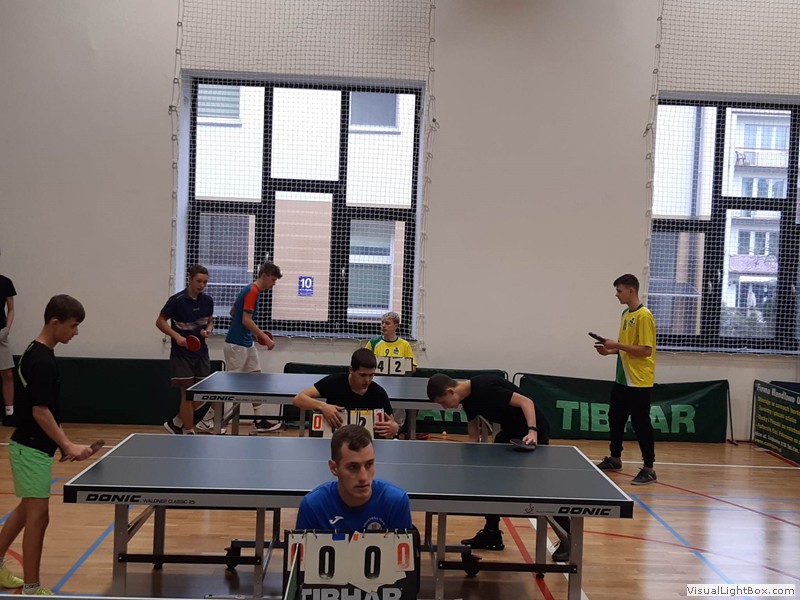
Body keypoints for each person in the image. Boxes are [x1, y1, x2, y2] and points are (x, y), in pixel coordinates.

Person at [0, 294, 94, 595]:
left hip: (32, 447)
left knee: (26, 511)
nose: (76, 332)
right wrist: (67, 444)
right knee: (39, 518)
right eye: (73, 325)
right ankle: (32, 587)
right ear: (55, 323)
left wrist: (62, 443)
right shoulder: (41, 360)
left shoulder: (37, 351)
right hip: (29, 449)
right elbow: (40, 411)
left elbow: (47, 410)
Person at [426, 373, 572, 562]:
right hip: (510, 431)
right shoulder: (467, 400)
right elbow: (473, 437)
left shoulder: (486, 388)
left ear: (450, 391)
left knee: (540, 487)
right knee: (492, 481)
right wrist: (466, 463)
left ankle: (569, 539)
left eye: (443, 403)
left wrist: (533, 431)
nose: (445, 408)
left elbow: (526, 402)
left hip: (533, 432)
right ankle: (492, 533)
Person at [593, 273, 658, 486]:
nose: (617, 295)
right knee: (615, 418)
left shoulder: (644, 316)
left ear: (631, 290)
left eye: (619, 291)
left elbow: (646, 350)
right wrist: (609, 351)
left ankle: (649, 468)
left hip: (638, 381)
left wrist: (617, 345)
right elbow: (627, 348)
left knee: (641, 424)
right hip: (622, 379)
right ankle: (615, 458)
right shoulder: (625, 314)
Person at [296, 424, 412, 531]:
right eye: (353, 467)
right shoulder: (313, 506)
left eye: (369, 464)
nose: (363, 477)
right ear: (334, 468)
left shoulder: (396, 502)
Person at [157, 265, 220, 435]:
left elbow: (209, 321)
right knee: (187, 394)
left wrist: (208, 330)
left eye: (205, 282)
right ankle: (188, 430)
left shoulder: (208, 301)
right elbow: (160, 322)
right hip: (181, 355)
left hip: (201, 353)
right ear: (190, 279)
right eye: (199, 281)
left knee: (203, 394)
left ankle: (176, 422)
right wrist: (177, 337)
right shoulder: (176, 300)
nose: (202, 285)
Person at [224, 261, 282, 434]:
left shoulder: (249, 290)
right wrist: (264, 337)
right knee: (232, 387)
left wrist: (251, 334)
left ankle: (259, 420)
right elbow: (245, 319)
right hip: (236, 345)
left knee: (255, 379)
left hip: (246, 343)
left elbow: (233, 312)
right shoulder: (252, 291)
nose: (273, 284)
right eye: (273, 280)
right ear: (264, 276)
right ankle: (215, 419)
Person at [292, 349, 401, 439]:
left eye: (371, 375)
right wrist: (323, 406)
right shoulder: (334, 382)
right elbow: (298, 399)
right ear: (351, 370)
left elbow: (391, 422)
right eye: (362, 375)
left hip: (365, 446)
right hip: (336, 443)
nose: (367, 380)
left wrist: (395, 427)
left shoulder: (379, 393)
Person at [365, 311, 416, 434]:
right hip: (377, 384)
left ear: (396, 326)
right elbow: (364, 361)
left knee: (397, 412)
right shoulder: (373, 343)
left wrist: (402, 367)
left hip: (397, 386)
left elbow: (413, 367)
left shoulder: (404, 345)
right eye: (382, 323)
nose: (383, 326)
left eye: (387, 323)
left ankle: (397, 432)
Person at [0, 266, 16, 424]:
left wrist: (6, 329)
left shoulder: (5, 282)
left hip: (0, 335)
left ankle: (9, 412)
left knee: (7, 374)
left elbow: (11, 309)